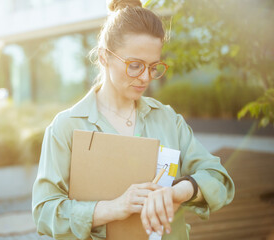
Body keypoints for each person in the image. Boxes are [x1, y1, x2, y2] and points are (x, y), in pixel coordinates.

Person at [32, 0, 235, 239]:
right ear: (104, 57)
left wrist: (177, 192)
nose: (145, 77)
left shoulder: (168, 119)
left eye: (153, 67)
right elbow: (45, 212)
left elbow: (218, 177)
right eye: (135, 65)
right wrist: (113, 207)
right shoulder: (66, 127)